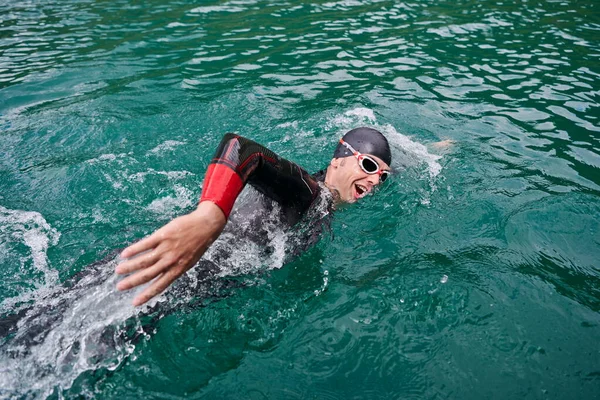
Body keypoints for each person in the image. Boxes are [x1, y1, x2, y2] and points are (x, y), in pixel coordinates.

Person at [115, 127, 393, 306]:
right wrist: (209, 216)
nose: (374, 181)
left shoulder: (319, 201)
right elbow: (241, 147)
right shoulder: (309, 194)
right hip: (179, 269)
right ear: (337, 160)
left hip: (176, 266)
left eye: (382, 177)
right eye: (368, 166)